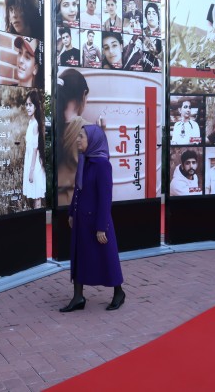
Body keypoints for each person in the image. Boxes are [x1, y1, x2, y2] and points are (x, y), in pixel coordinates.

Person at [60, 124, 125, 313]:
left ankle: (118, 292)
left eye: (82, 136)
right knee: (78, 256)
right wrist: (72, 212)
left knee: (107, 257)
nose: (78, 139)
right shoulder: (84, 160)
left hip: (97, 221)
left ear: (93, 140)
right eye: (78, 136)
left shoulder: (102, 165)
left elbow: (105, 198)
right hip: (81, 220)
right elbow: (78, 189)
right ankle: (78, 296)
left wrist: (102, 226)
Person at [57, 69, 90, 206]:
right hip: (78, 206)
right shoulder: (88, 131)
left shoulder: (52, 127)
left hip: (57, 203)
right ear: (83, 95)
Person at [22, 90, 46, 209]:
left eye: (30, 104)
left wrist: (31, 170)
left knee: (37, 195)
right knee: (33, 193)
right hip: (30, 159)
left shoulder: (35, 124)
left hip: (34, 162)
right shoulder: (30, 122)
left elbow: (35, 149)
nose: (28, 107)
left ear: (36, 106)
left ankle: (39, 218)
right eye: (26, 104)